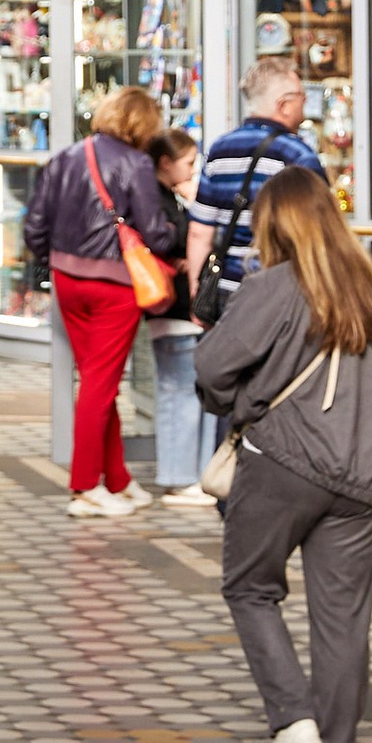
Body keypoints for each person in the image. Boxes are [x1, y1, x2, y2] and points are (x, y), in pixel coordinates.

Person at [199, 165, 372, 743]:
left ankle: (292, 717)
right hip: (362, 474)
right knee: (344, 620)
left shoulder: (274, 286)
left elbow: (213, 368)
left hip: (283, 461)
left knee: (250, 587)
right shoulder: (370, 285)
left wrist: (241, 403)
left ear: (273, 225)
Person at [23, 84, 179, 516]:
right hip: (114, 285)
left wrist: (56, 261)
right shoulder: (137, 163)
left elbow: (34, 226)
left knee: (97, 380)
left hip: (68, 279)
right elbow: (155, 232)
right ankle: (86, 486)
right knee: (99, 385)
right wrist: (177, 230)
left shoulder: (65, 157)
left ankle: (118, 479)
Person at [187, 53, 326, 311]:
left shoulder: (219, 149)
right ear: (283, 105)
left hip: (227, 291)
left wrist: (197, 293)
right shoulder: (298, 155)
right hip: (280, 293)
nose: (305, 102)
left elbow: (200, 231)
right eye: (301, 95)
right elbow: (320, 231)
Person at [147, 126, 210, 503]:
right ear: (166, 163)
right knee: (179, 393)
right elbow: (168, 238)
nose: (191, 172)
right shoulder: (157, 198)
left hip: (174, 311)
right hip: (172, 309)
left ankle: (185, 474)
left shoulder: (165, 196)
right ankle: (179, 476)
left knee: (182, 391)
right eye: (187, 163)